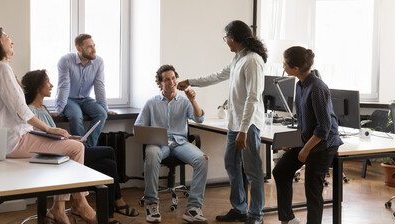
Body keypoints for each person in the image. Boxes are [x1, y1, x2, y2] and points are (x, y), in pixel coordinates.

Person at [0, 27, 96, 224]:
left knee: (68, 144)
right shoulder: (1, 68)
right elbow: (20, 111)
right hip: (15, 141)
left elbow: (17, 115)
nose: (11, 41)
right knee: (76, 148)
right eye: (7, 37)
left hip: (14, 139)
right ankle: (78, 203)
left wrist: (53, 135)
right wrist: (49, 129)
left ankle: (59, 207)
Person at [177, 20, 267, 224]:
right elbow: (217, 76)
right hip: (235, 124)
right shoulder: (238, 58)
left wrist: (244, 131)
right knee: (231, 164)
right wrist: (191, 81)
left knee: (252, 171)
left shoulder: (252, 61)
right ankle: (240, 208)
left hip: (248, 125)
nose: (225, 41)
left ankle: (256, 216)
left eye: (226, 37)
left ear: (233, 38)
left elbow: (253, 98)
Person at [21, 70, 139, 223]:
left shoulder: (43, 109)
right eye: (47, 82)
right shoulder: (30, 111)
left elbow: (52, 135)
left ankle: (108, 214)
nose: (51, 85)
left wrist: (71, 137)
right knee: (109, 151)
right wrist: (69, 142)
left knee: (108, 164)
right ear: (38, 87)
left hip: (64, 149)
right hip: (57, 155)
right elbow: (41, 141)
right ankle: (112, 204)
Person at [272, 46, 343, 224]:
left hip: (323, 143)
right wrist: (295, 142)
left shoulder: (317, 88)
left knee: (312, 187)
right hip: (308, 139)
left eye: (285, 64)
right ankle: (287, 218)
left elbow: (324, 127)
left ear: (295, 68)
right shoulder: (300, 84)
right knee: (280, 171)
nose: (283, 66)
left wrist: (305, 149)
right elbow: (303, 120)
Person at [135, 65, 208, 224]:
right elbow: (138, 129)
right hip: (159, 143)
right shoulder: (151, 103)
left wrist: (193, 100)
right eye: (167, 79)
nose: (171, 82)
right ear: (160, 83)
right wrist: (151, 136)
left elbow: (199, 118)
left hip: (181, 143)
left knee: (202, 159)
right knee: (152, 154)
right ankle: (152, 204)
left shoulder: (184, 101)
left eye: (173, 78)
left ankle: (193, 209)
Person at [54, 33, 116, 148]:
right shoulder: (65, 60)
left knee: (101, 114)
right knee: (76, 116)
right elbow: (64, 86)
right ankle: (80, 149)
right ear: (78, 48)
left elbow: (99, 86)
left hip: (85, 99)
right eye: (89, 47)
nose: (94, 50)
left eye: (94, 45)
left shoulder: (99, 62)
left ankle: (88, 149)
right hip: (69, 99)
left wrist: (105, 108)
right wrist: (59, 110)